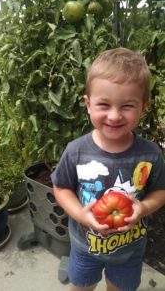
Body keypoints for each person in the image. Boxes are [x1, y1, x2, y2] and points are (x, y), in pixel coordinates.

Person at [51, 48, 165, 291]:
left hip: (130, 251)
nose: (114, 116)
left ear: (144, 107)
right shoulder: (77, 151)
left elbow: (160, 191)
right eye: (104, 104)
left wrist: (143, 207)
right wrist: (81, 215)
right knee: (80, 287)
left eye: (127, 106)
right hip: (85, 248)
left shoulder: (150, 154)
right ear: (88, 104)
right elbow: (60, 187)